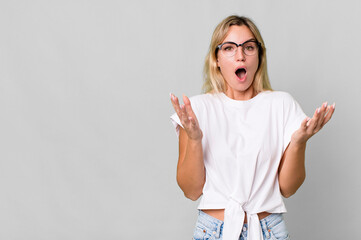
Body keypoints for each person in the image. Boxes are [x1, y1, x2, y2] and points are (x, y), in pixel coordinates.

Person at [169, 15, 335, 240]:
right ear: (216, 59)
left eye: (248, 47)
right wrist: (195, 139)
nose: (240, 55)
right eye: (229, 48)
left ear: (259, 56)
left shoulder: (282, 104)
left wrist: (298, 142)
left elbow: (288, 188)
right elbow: (191, 191)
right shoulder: (197, 109)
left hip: (268, 230)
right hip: (214, 231)